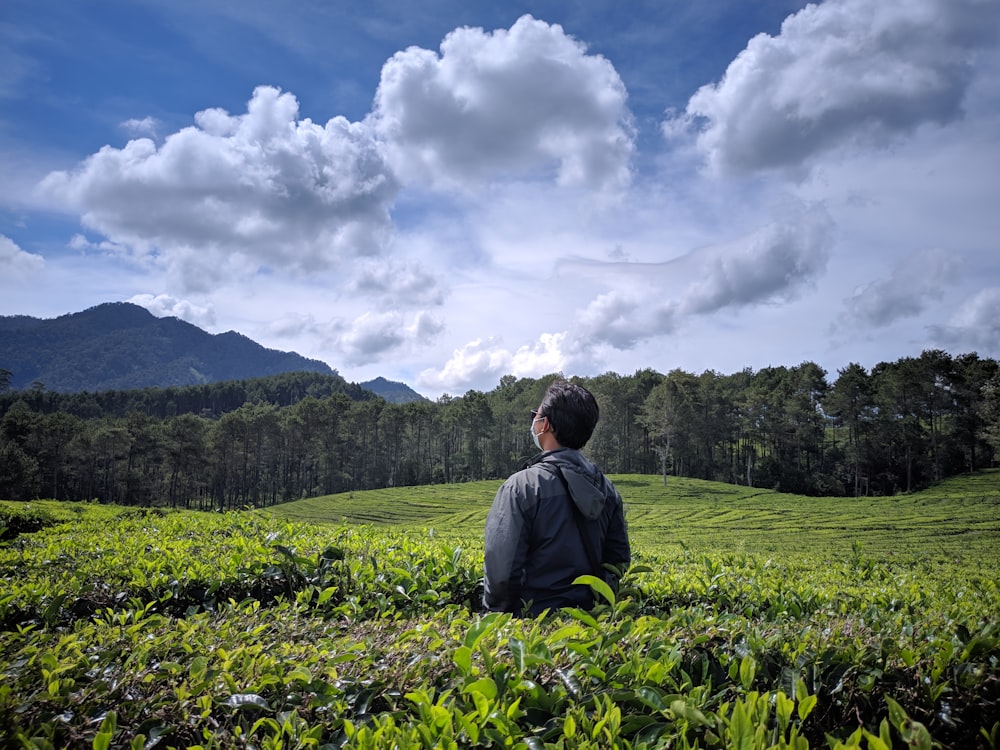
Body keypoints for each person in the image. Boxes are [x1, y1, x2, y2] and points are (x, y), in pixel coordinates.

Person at [483, 378, 631, 615]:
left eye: (536, 415)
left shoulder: (522, 487)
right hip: (588, 626)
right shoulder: (608, 490)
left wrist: (498, 625)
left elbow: (502, 574)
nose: (533, 421)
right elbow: (617, 562)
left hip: (532, 629)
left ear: (545, 425)